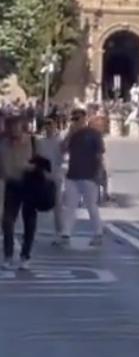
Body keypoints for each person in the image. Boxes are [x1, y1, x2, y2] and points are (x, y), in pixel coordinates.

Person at [63, 108, 107, 246]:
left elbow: (99, 154)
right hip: (72, 174)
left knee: (91, 206)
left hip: (89, 174)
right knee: (70, 205)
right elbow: (62, 149)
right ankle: (66, 234)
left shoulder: (93, 134)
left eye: (78, 118)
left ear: (84, 119)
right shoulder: (72, 135)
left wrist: (99, 174)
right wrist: (70, 134)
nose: (76, 121)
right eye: (74, 119)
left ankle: (98, 233)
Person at [0, 114, 37, 269]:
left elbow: (41, 164)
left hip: (30, 185)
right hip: (12, 185)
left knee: (29, 222)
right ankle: (8, 254)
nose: (14, 131)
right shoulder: (3, 144)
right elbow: (3, 168)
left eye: (17, 127)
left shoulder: (33, 142)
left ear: (23, 128)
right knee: (7, 221)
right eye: (11, 128)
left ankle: (25, 255)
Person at [36, 117, 67, 246]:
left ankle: (59, 232)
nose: (48, 127)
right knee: (35, 204)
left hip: (56, 177)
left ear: (55, 126)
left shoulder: (59, 142)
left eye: (51, 124)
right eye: (46, 124)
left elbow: (63, 156)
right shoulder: (40, 143)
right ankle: (33, 230)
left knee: (57, 205)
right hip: (42, 177)